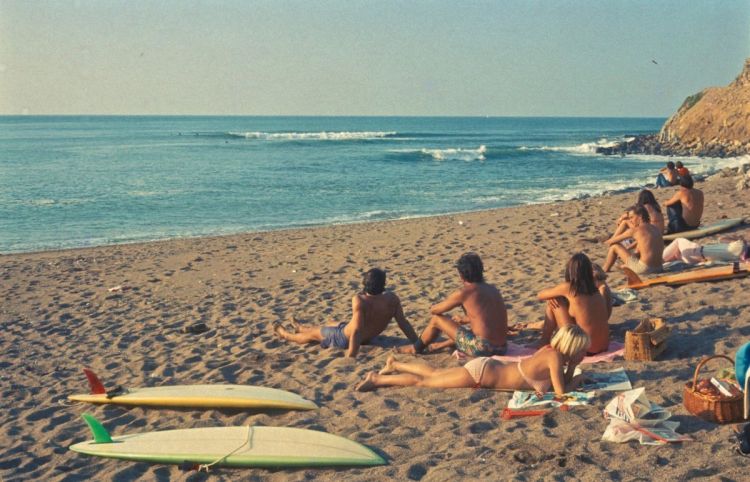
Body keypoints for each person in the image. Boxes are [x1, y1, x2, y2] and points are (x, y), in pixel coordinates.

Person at [356, 324, 590, 396]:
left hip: (489, 369)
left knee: (435, 373)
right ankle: (377, 379)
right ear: (573, 347)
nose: (584, 354)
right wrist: (579, 378)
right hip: (481, 374)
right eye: (582, 350)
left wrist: (574, 369)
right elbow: (562, 394)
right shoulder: (554, 358)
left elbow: (560, 384)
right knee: (425, 381)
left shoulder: (554, 353)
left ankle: (395, 364)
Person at [273, 268, 418, 358]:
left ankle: (286, 334)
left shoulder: (360, 300)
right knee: (331, 324)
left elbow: (356, 332)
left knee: (314, 334)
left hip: (345, 339)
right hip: (367, 337)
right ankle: (300, 327)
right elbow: (403, 323)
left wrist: (352, 356)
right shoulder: (392, 299)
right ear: (383, 284)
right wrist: (417, 342)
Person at [397, 252, 508, 356]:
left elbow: (435, 311)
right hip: (503, 348)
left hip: (483, 349)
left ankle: (415, 348)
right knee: (466, 329)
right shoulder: (493, 289)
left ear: (461, 275)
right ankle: (438, 346)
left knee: (437, 320)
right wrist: (464, 319)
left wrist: (433, 306)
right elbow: (485, 317)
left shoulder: (464, 293)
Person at [537, 253, 612, 355]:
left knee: (556, 300)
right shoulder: (595, 289)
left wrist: (552, 297)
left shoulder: (569, 288)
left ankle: (544, 340)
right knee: (557, 299)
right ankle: (544, 340)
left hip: (583, 349)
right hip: (604, 346)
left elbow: (540, 295)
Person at [603, 205, 664, 274]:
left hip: (644, 269)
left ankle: (605, 269)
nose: (631, 220)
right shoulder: (655, 228)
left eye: (632, 217)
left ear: (640, 216)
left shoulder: (635, 230)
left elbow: (610, 242)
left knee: (614, 246)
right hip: (659, 268)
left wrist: (620, 225)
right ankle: (622, 266)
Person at [663, 237, 748, 264]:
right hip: (697, 260)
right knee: (676, 254)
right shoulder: (739, 259)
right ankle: (663, 261)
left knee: (679, 240)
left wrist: (736, 238)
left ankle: (659, 259)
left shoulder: (741, 244)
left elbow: (721, 238)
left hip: (695, 252)